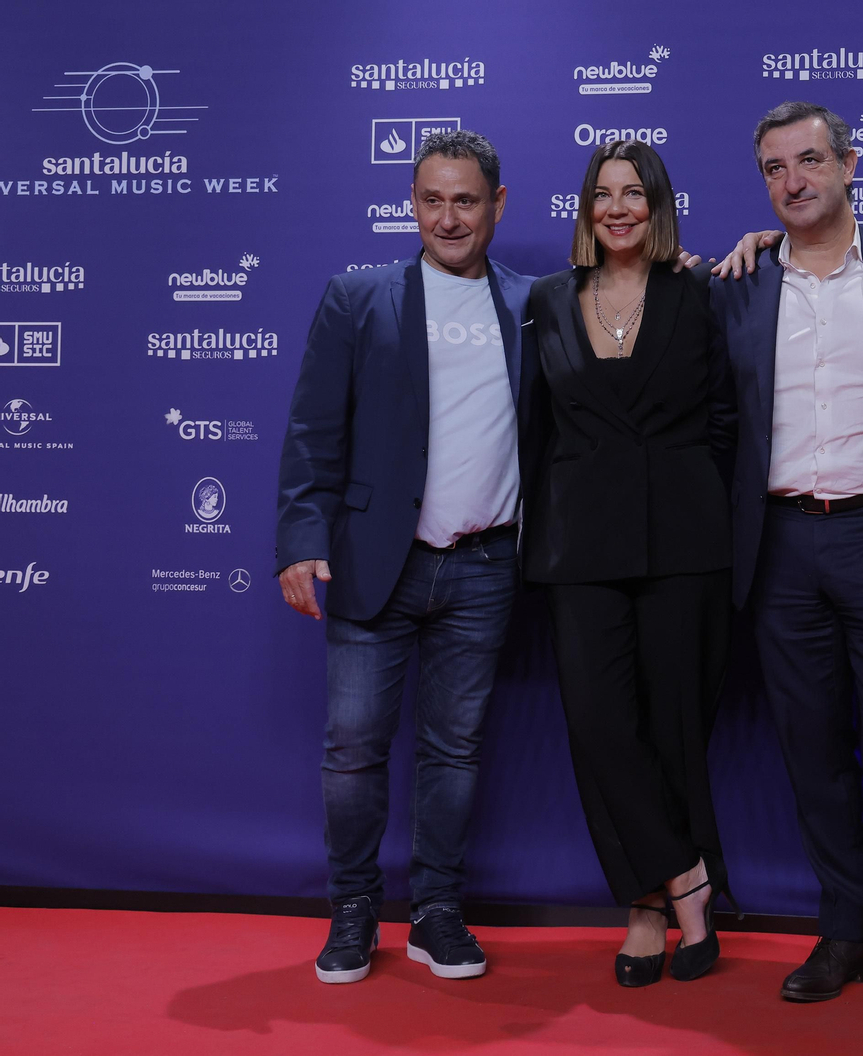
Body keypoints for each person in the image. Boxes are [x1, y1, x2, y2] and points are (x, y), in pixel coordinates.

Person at [275, 129, 534, 984]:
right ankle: (352, 912)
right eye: (433, 199)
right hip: (371, 561)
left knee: (454, 749)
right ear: (411, 204)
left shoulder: (535, 304)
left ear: (497, 205)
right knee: (352, 748)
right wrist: (301, 542)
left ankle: (437, 912)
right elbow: (314, 434)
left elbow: (632, 300)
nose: (448, 217)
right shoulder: (358, 298)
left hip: (485, 567)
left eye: (466, 200)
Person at [708, 102, 863, 1022]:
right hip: (779, 548)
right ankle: (842, 929)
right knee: (811, 752)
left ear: (849, 164)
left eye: (810, 161)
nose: (793, 181)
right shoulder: (740, 282)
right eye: (775, 168)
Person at [521, 140, 738, 987]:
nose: (617, 208)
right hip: (579, 546)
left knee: (674, 726)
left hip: (686, 541)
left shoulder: (699, 290)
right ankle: (684, 881)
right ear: (585, 207)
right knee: (601, 726)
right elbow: (534, 428)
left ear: (657, 206)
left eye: (634, 194)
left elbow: (725, 416)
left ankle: (647, 912)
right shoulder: (546, 299)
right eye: (603, 194)